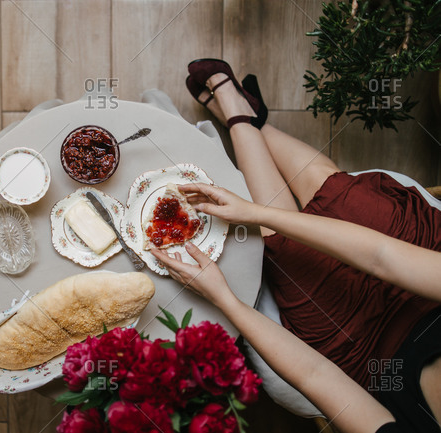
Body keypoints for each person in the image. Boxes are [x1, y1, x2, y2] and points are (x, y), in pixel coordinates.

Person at [151, 59, 441, 432]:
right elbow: (381, 255)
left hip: (367, 353)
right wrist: (254, 213)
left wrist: (224, 297)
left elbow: (316, 374)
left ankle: (245, 116)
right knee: (343, 198)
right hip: (415, 264)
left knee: (289, 253)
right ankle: (244, 116)